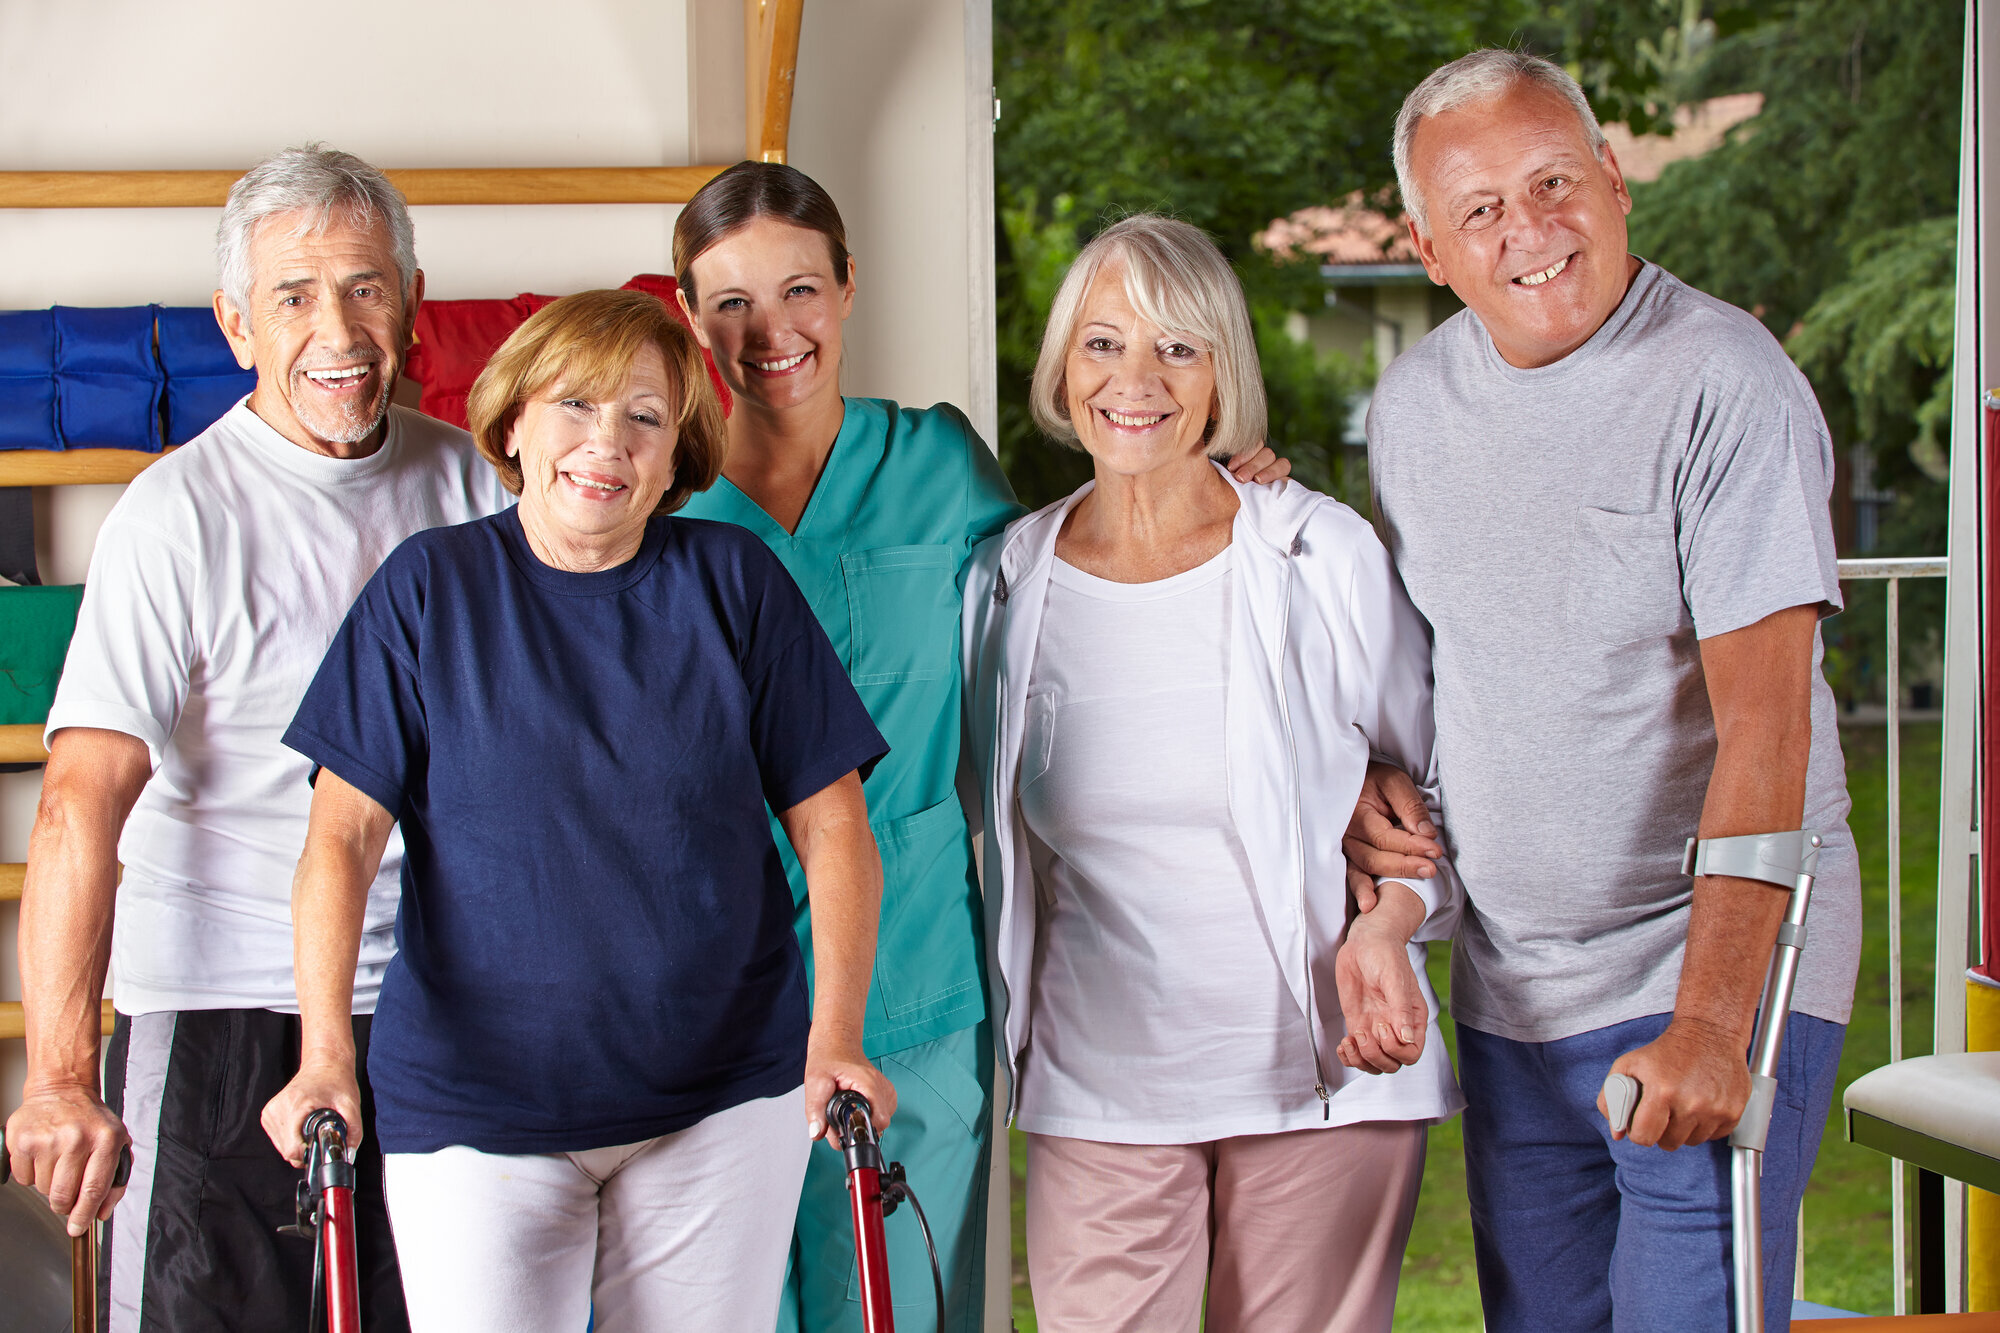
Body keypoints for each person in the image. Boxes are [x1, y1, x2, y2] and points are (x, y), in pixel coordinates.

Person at [668, 161, 1292, 1332]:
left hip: (910, 976)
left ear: (848, 286)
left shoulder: (937, 465)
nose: (770, 333)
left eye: (798, 289)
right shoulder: (656, 496)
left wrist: (1213, 488)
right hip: (709, 983)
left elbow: (1086, 617)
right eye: (731, 301)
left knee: (903, 1301)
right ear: (689, 311)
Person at [261, 288, 896, 1333]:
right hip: (477, 1100)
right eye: (575, 405)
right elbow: (340, 839)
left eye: (644, 416)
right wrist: (326, 1052)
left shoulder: (733, 583)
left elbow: (832, 825)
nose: (607, 442)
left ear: (677, 449)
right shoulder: (429, 588)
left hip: (720, 1091)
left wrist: (835, 1035)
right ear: (514, 423)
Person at [1362, 49, 1858, 1332]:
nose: (1527, 231)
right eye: (1478, 210)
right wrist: (1376, 774)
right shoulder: (1410, 412)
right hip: (1513, 988)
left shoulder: (1721, 381)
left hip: (1700, 966)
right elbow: (1432, 666)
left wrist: (1710, 1023)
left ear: (1614, 182)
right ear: (1426, 247)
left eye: (1551, 182)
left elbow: (1768, 720)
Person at [3, 145, 512, 1332]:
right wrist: (62, 1078)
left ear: (414, 304)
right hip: (220, 1011)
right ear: (236, 325)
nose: (335, 327)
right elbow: (80, 800)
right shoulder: (175, 517)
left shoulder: (478, 490)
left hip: (438, 1011)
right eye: (292, 295)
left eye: (365, 287)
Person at [960, 213, 1462, 1333]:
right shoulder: (1005, 579)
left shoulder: (1316, 553)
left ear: (1221, 370)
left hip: (1323, 1074)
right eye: (1101, 344)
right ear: (1060, 367)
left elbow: (1430, 791)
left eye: (1175, 348)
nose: (1133, 379)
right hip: (1097, 1083)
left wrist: (1389, 927)